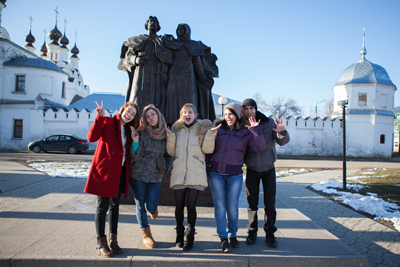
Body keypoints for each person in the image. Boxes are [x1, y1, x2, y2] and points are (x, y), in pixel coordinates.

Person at [207, 102, 265, 253]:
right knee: (220, 207)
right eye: (226, 114)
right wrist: (206, 169)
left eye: (231, 114)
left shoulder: (246, 132)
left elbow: (259, 147)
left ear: (238, 115)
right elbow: (207, 150)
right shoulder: (218, 129)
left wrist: (255, 131)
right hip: (216, 173)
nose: (228, 117)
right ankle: (223, 238)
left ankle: (233, 234)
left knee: (232, 208)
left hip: (234, 175)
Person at [84, 101, 140, 257]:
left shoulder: (130, 131)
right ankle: (101, 242)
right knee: (102, 207)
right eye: (128, 111)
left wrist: (135, 142)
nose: (129, 115)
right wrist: (99, 118)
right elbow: (91, 138)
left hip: (120, 172)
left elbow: (131, 153)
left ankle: (113, 240)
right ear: (122, 110)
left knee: (115, 206)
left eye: (133, 114)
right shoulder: (108, 122)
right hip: (106, 171)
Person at [165, 103, 219, 251]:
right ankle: (179, 233)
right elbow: (171, 151)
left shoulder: (202, 130)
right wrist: (170, 136)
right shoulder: (176, 130)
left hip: (196, 171)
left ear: (195, 115)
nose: (187, 115)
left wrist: (210, 134)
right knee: (179, 206)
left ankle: (190, 234)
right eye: (184, 112)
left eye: (190, 112)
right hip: (179, 172)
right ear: (181, 115)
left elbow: (207, 149)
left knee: (191, 206)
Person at [241, 98, 290, 248]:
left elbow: (282, 142)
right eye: (246, 109)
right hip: (252, 169)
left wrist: (282, 132)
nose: (249, 111)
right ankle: (252, 231)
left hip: (268, 168)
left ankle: (270, 233)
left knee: (270, 203)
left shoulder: (268, 122)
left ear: (256, 109)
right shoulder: (243, 125)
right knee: (252, 203)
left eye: (251, 108)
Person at [129, 104, 171, 248]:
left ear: (158, 116)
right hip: (138, 175)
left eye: (152, 114)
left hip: (156, 176)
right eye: (147, 116)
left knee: (151, 206)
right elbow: (135, 157)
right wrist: (135, 142)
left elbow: (169, 154)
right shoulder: (141, 132)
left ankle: (152, 209)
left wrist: (166, 167)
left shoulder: (166, 133)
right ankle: (146, 235)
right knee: (140, 205)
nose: (150, 118)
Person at [118, 16, 173, 115]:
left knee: (159, 102)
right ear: (146, 25)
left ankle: (158, 126)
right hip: (141, 73)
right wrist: (135, 59)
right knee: (137, 99)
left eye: (155, 22)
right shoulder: (138, 40)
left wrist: (164, 73)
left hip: (157, 74)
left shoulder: (162, 41)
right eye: (150, 22)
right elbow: (128, 55)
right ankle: (136, 124)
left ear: (158, 26)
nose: (152, 24)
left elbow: (167, 58)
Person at [163, 23, 217, 123]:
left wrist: (204, 78)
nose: (179, 31)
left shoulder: (193, 46)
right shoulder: (172, 44)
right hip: (173, 75)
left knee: (189, 101)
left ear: (187, 31)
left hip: (188, 76)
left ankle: (191, 124)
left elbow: (198, 65)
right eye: (178, 29)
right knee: (172, 101)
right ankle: (172, 124)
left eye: (182, 29)